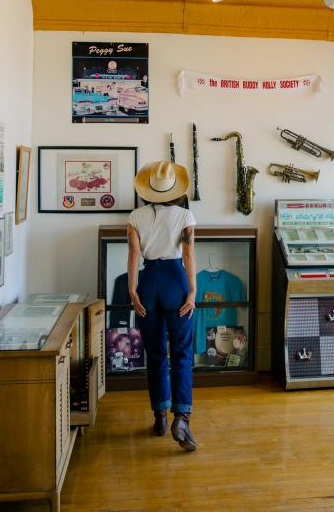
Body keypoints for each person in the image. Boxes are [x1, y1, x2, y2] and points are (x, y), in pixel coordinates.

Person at [127, 161, 199, 451]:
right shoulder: (186, 216)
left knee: (156, 352)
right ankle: (181, 418)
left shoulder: (135, 216)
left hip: (148, 282)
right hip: (175, 281)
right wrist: (192, 291)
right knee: (181, 351)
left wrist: (132, 290)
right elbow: (189, 257)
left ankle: (159, 413)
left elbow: (133, 253)